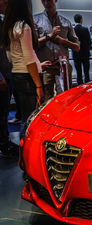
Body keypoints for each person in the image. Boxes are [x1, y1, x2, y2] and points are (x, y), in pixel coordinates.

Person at [0, 0, 51, 142]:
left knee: (25, 118)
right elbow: (28, 59)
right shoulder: (24, 27)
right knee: (32, 120)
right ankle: (29, 154)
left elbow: (11, 57)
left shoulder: (10, 28)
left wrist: (38, 64)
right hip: (29, 78)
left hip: (17, 75)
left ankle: (24, 153)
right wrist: (39, 86)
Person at [34, 0, 80, 101]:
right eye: (43, 0)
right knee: (46, 100)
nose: (46, 3)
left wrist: (62, 41)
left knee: (66, 98)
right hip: (46, 67)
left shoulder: (65, 22)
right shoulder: (35, 20)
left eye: (49, 0)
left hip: (64, 67)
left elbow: (77, 47)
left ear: (55, 0)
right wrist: (49, 36)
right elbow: (32, 45)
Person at [0, 0, 19, 157]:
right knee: (1, 112)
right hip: (2, 76)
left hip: (7, 73)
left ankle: (4, 142)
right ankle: (4, 144)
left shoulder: (3, 21)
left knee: (4, 111)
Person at [73, 14, 91, 85]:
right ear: (81, 20)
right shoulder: (85, 29)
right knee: (86, 73)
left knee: (79, 73)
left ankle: (79, 86)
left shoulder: (73, 30)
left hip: (76, 54)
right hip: (85, 54)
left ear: (75, 20)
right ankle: (87, 86)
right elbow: (89, 42)